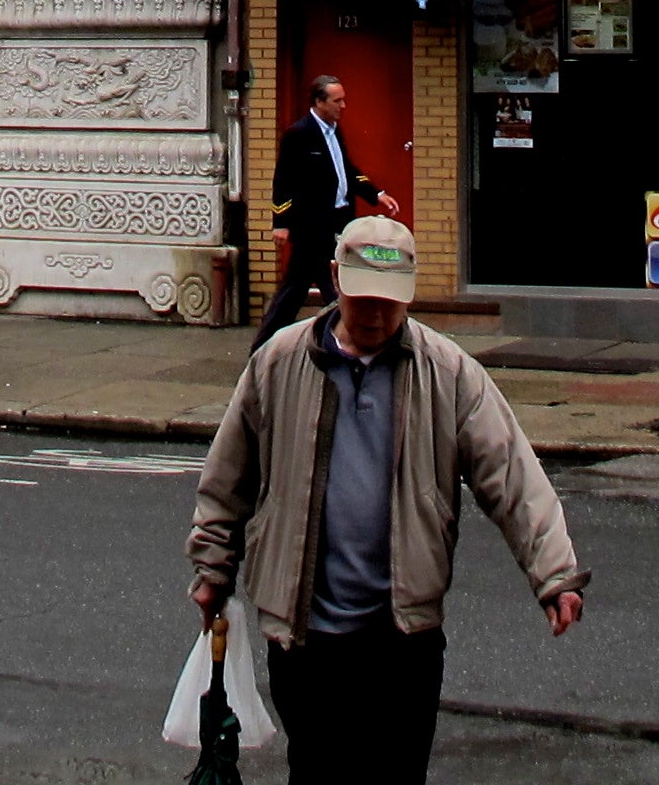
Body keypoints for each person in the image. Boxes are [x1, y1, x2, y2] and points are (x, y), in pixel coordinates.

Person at [188, 217, 584, 785]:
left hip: (403, 642)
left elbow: (513, 475)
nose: (376, 315)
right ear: (332, 282)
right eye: (363, 299)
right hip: (306, 639)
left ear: (411, 294)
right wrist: (211, 568)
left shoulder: (448, 373)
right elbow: (229, 477)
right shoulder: (278, 362)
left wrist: (555, 574)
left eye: (389, 302)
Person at [256, 73, 396, 340]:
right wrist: (281, 223)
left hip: (338, 219)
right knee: (329, 285)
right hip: (312, 225)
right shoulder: (299, 134)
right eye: (336, 101)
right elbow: (283, 180)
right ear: (319, 102)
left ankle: (272, 342)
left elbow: (346, 171)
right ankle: (347, 335)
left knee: (300, 288)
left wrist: (375, 193)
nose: (342, 106)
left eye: (343, 100)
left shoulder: (335, 132)